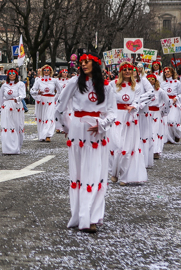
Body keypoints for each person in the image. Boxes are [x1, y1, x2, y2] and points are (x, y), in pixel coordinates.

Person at [55, 53, 116, 233]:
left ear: (96, 64)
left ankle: (93, 217)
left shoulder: (107, 87)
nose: (84, 64)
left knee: (96, 173)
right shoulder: (74, 83)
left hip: (97, 132)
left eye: (88, 61)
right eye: (82, 62)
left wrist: (101, 124)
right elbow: (60, 107)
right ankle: (80, 216)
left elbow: (112, 113)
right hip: (77, 132)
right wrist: (67, 128)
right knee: (79, 174)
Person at [108, 62, 147, 186]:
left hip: (129, 118)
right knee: (116, 145)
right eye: (124, 69)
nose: (127, 71)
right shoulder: (112, 84)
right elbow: (108, 100)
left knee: (127, 148)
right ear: (120, 71)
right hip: (116, 117)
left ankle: (125, 176)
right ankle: (114, 172)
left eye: (129, 69)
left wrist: (133, 106)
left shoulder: (136, 86)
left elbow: (137, 100)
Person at [0, 68, 26, 154]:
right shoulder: (4, 85)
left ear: (16, 75)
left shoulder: (20, 84)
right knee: (6, 126)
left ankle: (16, 147)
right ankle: (7, 148)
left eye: (13, 73)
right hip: (6, 106)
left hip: (16, 106)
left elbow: (23, 95)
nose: (11, 75)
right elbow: (0, 98)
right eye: (10, 73)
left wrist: (18, 98)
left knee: (17, 125)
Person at [31, 65, 61, 142]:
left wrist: (55, 98)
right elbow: (32, 91)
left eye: (48, 70)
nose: (46, 71)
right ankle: (42, 135)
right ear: (42, 71)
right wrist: (37, 92)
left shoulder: (54, 80)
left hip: (51, 100)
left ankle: (48, 135)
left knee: (49, 117)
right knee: (41, 118)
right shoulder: (38, 80)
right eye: (45, 70)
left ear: (50, 71)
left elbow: (60, 91)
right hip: (41, 101)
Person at [146, 74, 170, 160]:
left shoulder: (160, 91)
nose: (150, 81)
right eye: (149, 79)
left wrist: (164, 112)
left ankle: (155, 151)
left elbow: (167, 101)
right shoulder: (145, 91)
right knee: (147, 132)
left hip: (156, 113)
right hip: (146, 113)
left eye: (152, 79)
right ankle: (147, 150)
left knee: (155, 132)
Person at [160, 67, 181, 143]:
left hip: (174, 103)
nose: (167, 73)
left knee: (172, 121)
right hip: (166, 103)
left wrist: (176, 98)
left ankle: (177, 134)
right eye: (165, 72)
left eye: (168, 71)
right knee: (166, 121)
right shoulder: (162, 83)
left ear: (172, 73)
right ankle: (168, 138)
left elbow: (180, 93)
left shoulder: (177, 83)